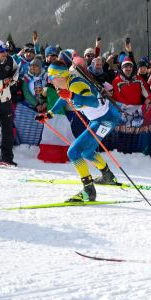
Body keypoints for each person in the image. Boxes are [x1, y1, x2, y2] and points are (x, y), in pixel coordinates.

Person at [38, 62, 121, 202]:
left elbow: (93, 102)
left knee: (73, 152)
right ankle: (108, 176)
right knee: (87, 152)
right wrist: (49, 114)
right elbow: (64, 98)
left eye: (51, 77)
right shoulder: (67, 83)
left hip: (105, 120)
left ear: (60, 76)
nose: (50, 80)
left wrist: (72, 95)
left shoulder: (76, 85)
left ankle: (88, 191)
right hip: (99, 119)